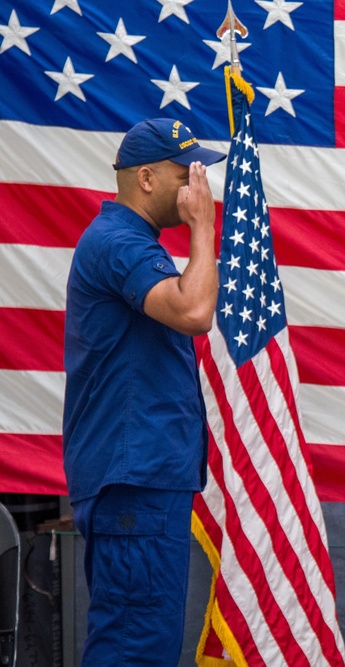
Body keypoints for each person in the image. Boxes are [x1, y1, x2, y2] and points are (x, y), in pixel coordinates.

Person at [62, 118, 226, 666]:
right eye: (188, 175)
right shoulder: (118, 242)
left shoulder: (129, 242)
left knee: (142, 641)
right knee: (135, 647)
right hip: (135, 479)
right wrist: (203, 229)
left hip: (141, 476)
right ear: (148, 178)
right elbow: (195, 311)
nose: (197, 190)